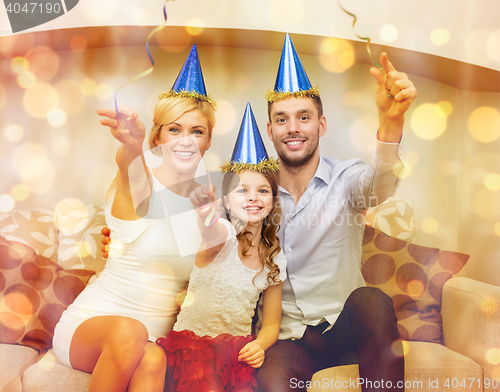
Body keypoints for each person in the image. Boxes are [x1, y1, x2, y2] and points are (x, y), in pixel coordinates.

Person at [254, 34, 417, 392]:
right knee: (270, 383)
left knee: (372, 299)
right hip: (287, 339)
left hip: (342, 328)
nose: (293, 127)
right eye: (281, 120)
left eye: (303, 117)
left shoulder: (347, 179)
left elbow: (381, 186)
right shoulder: (252, 195)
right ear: (270, 131)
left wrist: (391, 124)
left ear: (321, 125)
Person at [52, 45, 217, 392]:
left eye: (197, 131)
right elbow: (133, 173)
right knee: (132, 331)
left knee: (154, 357)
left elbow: (212, 270)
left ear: (207, 142)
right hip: (93, 327)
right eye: (174, 129)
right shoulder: (139, 184)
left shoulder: (207, 203)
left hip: (148, 342)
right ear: (157, 136)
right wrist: (132, 145)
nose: (185, 140)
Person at [156, 103, 286, 392]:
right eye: (242, 190)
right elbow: (211, 230)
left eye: (263, 190)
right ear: (227, 201)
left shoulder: (275, 258)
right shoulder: (223, 233)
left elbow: (271, 324)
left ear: (273, 200)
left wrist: (260, 345)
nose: (253, 198)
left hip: (234, 353)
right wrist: (205, 212)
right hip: (190, 348)